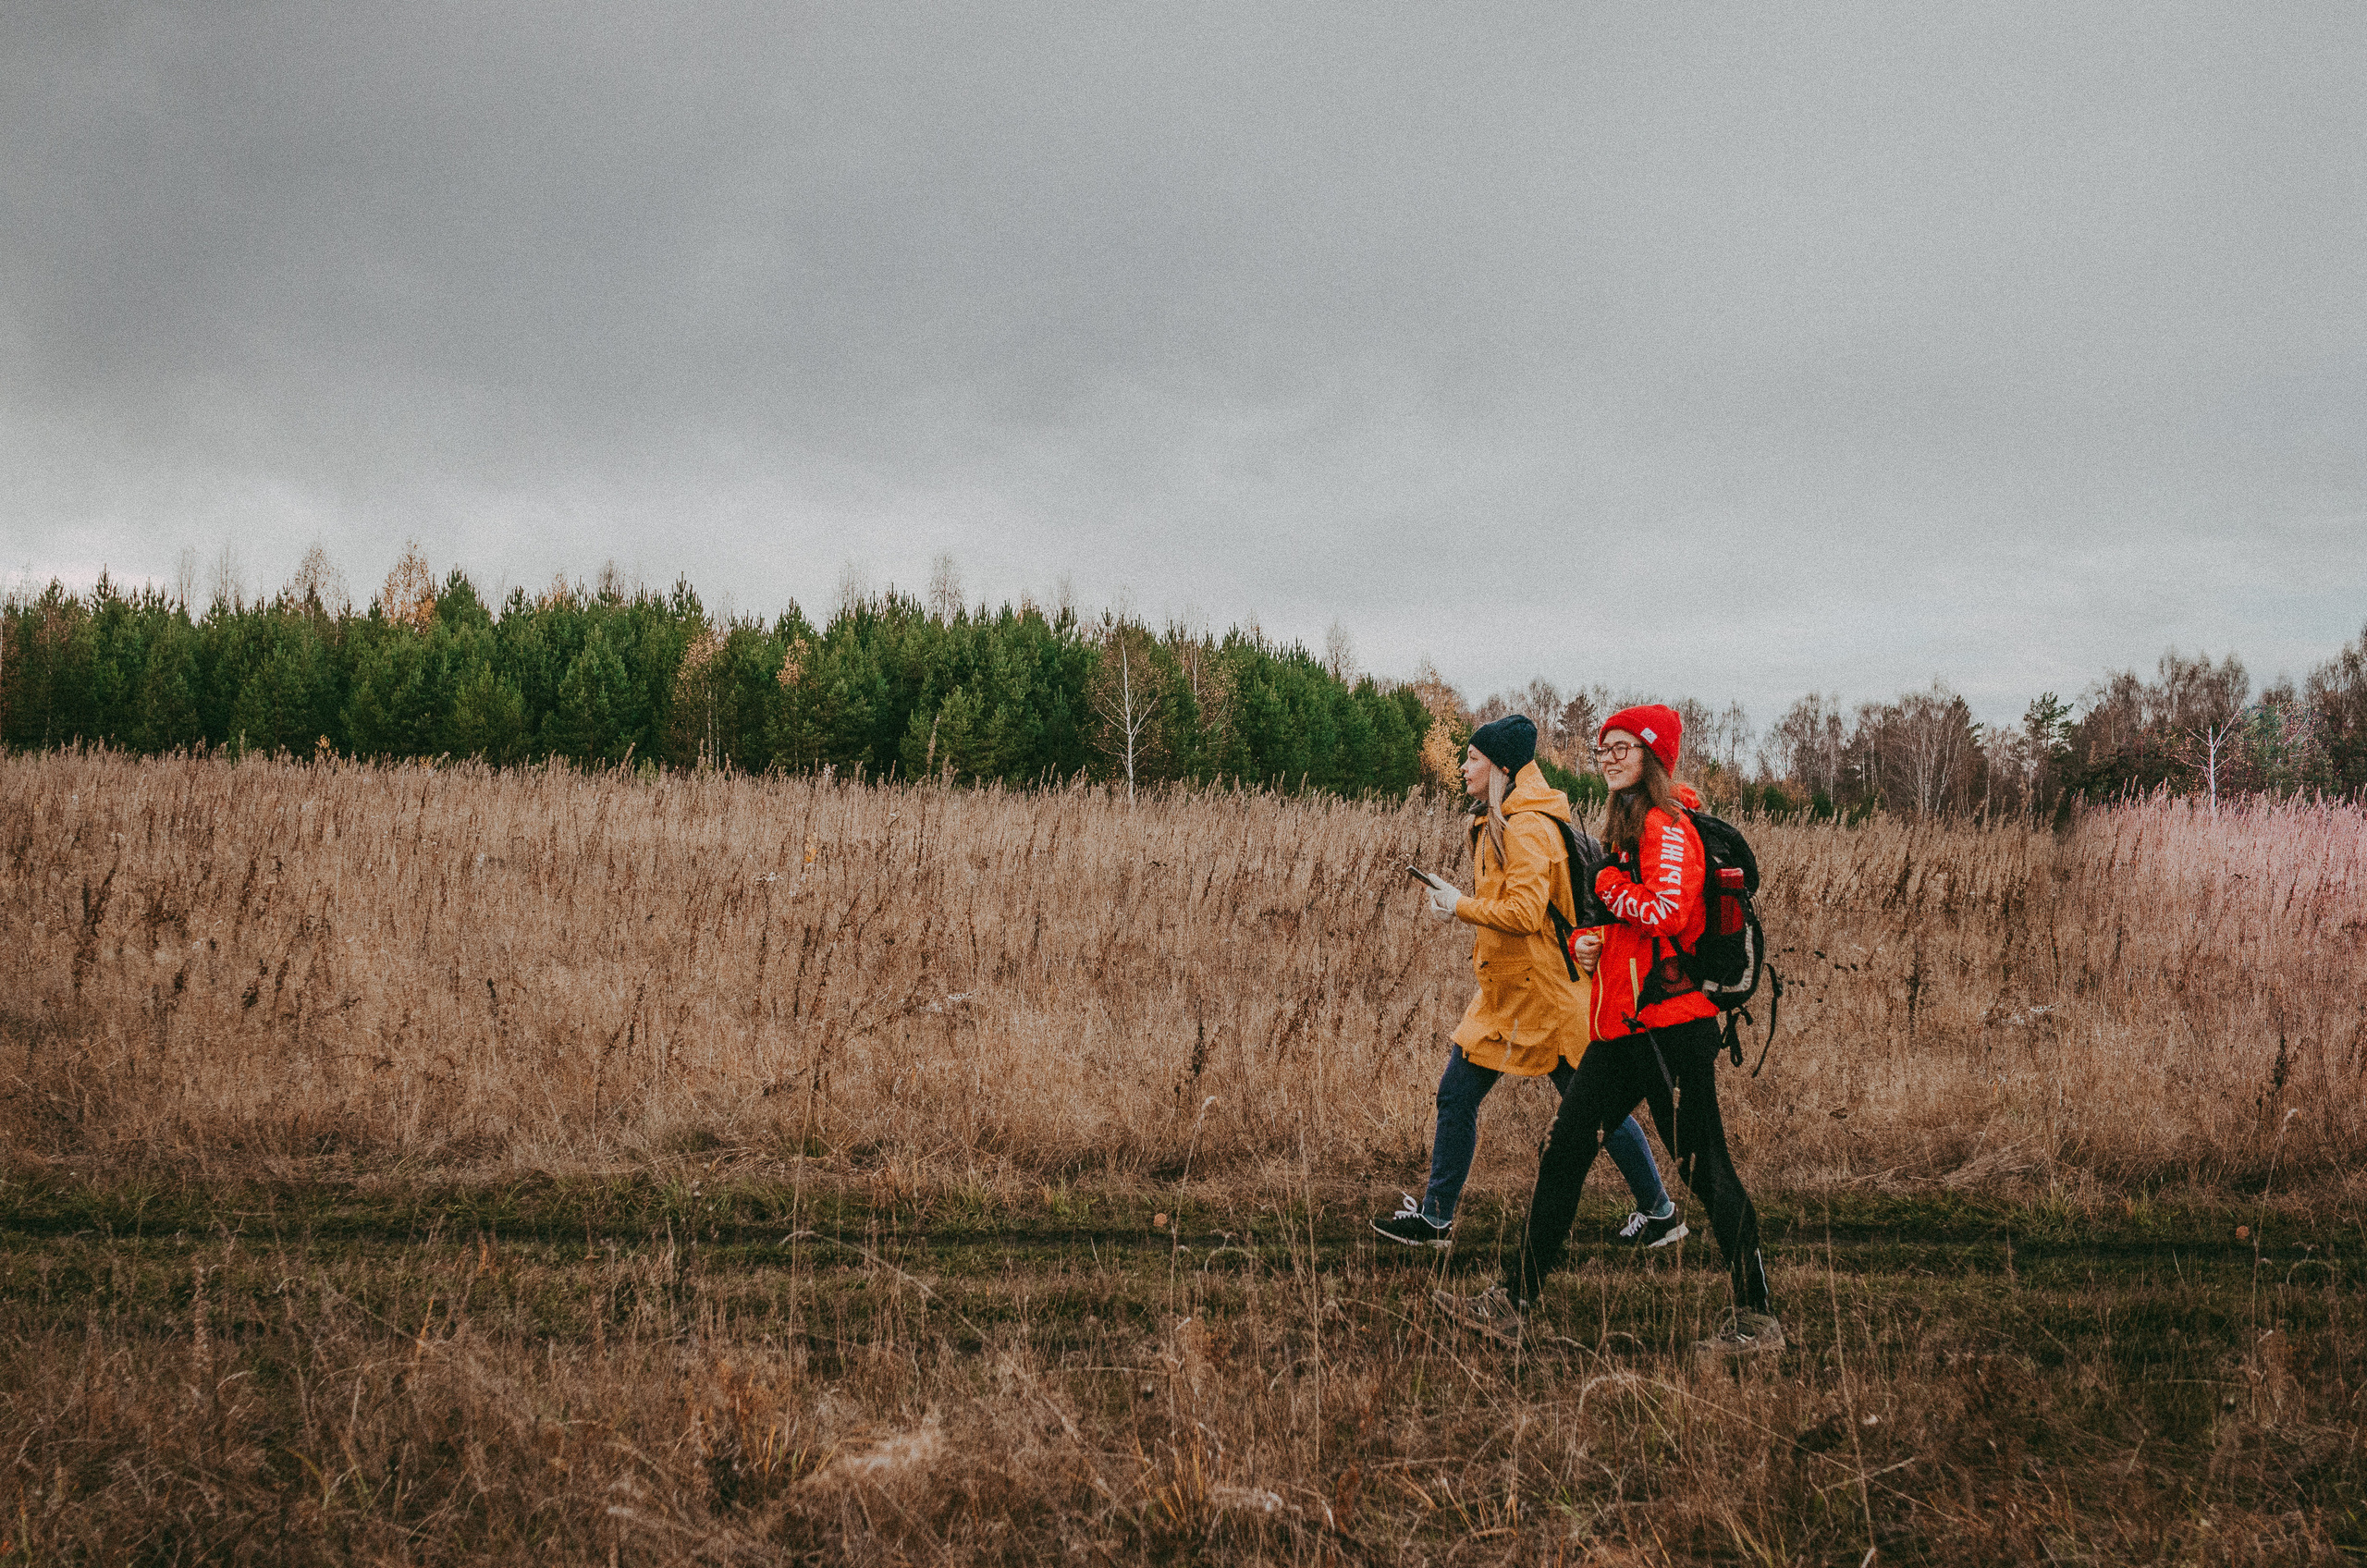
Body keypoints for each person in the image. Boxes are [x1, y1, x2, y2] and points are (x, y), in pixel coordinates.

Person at [1434, 704, 1781, 1358]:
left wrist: (1609, 881)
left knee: (1705, 1169)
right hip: (1623, 1027)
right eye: (1604, 748)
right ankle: (1513, 1301)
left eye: (1624, 747)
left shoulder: (1666, 824)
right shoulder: (1628, 824)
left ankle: (1758, 1319)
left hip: (1671, 1031)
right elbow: (1626, 925)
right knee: (1565, 1150)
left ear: (1654, 757)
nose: (1609, 758)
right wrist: (1589, 942)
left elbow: (1667, 911)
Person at [1372, 714, 1686, 1254]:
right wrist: (1460, 901)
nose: (1463, 767)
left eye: (1472, 758)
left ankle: (1660, 1213)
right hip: (1509, 996)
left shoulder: (1527, 827)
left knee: (1598, 1112)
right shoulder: (1504, 819)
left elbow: (1522, 914)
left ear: (1501, 768)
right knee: (1457, 1095)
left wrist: (1459, 905)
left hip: (1547, 999)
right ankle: (1436, 1218)